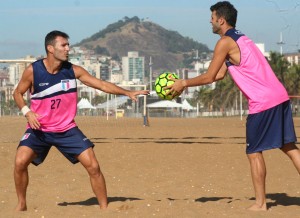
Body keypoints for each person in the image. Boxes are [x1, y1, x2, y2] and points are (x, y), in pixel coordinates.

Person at [168, 1, 300, 211]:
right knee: (289, 147)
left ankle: (261, 204)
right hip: (279, 96)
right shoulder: (242, 38)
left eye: (212, 18)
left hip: (263, 102)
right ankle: (261, 202)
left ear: (221, 20)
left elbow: (210, 75)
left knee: (254, 152)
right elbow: (219, 74)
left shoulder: (225, 42)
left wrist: (184, 82)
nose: (210, 21)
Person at [13, 30, 149, 211]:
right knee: (20, 162)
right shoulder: (33, 70)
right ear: (50, 48)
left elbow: (101, 84)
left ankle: (104, 208)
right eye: (64, 45)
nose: (68, 48)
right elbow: (17, 93)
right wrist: (27, 111)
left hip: (67, 129)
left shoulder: (73, 70)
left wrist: (127, 92)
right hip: (39, 129)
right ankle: (21, 204)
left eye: (68, 45)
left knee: (93, 166)